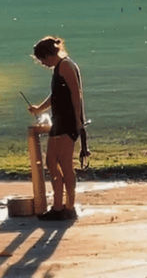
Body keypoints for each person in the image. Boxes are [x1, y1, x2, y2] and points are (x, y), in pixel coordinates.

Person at [28, 36, 89, 221]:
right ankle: (62, 206)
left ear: (48, 55)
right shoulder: (61, 67)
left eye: (42, 60)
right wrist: (39, 108)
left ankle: (65, 207)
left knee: (62, 164)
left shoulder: (65, 66)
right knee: (53, 163)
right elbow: (56, 95)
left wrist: (78, 121)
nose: (43, 64)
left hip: (67, 122)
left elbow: (76, 95)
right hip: (61, 121)